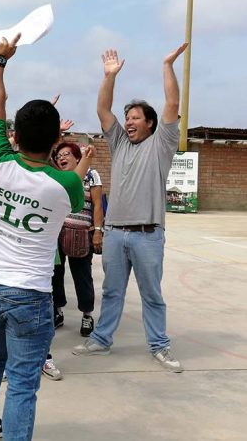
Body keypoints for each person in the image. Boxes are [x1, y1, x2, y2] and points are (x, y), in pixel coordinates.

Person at [0, 34, 84, 441]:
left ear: (14, 132)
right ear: (56, 142)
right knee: (22, 381)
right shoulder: (64, 184)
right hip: (29, 292)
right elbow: (74, 179)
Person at [72, 44, 188, 374]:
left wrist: (167, 65)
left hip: (147, 235)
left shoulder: (162, 143)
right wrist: (109, 76)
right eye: (127, 117)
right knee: (111, 292)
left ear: (151, 123)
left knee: (152, 294)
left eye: (135, 117)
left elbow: (173, 103)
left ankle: (160, 346)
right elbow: (103, 110)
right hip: (114, 233)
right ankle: (101, 340)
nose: (129, 121)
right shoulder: (120, 142)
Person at [51, 142, 104, 337]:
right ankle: (57, 310)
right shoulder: (58, 177)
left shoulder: (91, 175)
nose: (61, 158)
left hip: (82, 233)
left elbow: (98, 205)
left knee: (82, 275)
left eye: (66, 154)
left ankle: (87, 315)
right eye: (59, 156)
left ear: (77, 157)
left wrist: (97, 231)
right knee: (55, 274)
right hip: (57, 233)